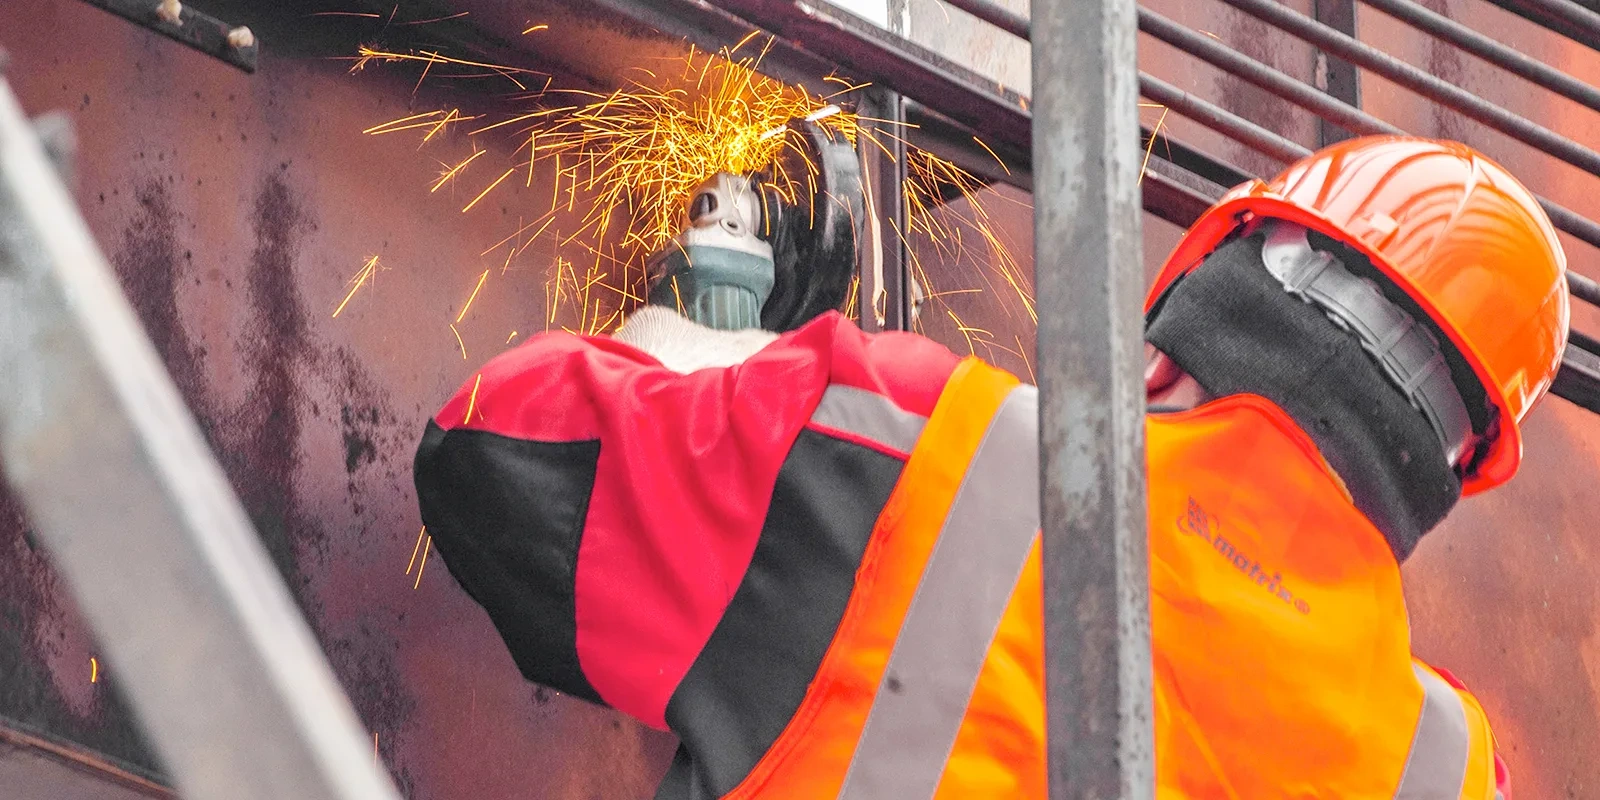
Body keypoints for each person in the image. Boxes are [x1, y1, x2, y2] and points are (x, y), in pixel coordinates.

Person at [414, 136, 1563, 798]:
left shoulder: (922, 447)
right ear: (1439, 476)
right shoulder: (1450, 768)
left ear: (1164, 356)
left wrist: (709, 337)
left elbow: (490, 440)